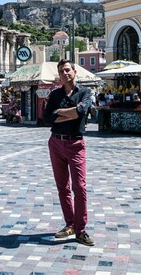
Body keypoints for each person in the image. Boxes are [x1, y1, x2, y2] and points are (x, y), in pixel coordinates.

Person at [42, 59, 94, 247]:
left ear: (74, 72)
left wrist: (60, 113)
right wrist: (70, 112)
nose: (65, 73)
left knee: (79, 187)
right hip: (55, 142)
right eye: (61, 71)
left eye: (67, 70)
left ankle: (81, 230)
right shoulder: (55, 94)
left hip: (75, 143)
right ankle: (70, 224)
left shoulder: (85, 92)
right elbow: (47, 118)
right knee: (62, 187)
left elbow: (82, 111)